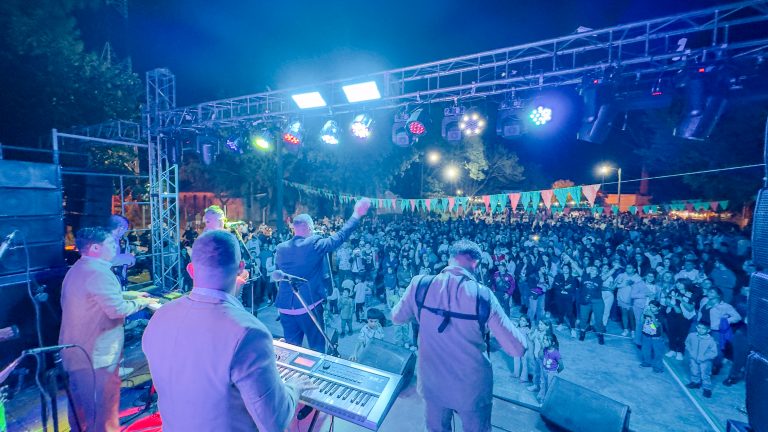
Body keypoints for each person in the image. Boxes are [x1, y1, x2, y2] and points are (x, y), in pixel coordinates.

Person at [142, 230, 315, 430]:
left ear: (191, 270)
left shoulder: (161, 316)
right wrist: (293, 387)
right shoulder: (249, 333)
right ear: (241, 269)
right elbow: (275, 420)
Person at [392, 240, 525, 432]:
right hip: (471, 389)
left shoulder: (419, 284)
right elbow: (517, 348)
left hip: (432, 383)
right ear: (476, 264)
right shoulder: (483, 295)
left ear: (449, 258)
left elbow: (396, 317)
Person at [58, 227, 157, 431]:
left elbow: (96, 299)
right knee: (103, 411)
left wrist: (132, 295)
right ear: (95, 247)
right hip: (96, 357)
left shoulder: (78, 269)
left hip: (76, 353)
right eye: (111, 243)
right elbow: (116, 309)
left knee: (81, 412)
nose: (116, 247)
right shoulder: (98, 273)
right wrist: (142, 304)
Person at [274, 198, 370, 352]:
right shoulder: (314, 243)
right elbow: (339, 237)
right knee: (317, 348)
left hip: (285, 306)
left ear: (294, 228)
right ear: (310, 227)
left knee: (291, 349)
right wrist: (356, 215)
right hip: (307, 306)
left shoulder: (281, 248)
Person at [685, 322, 719, 398]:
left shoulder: (711, 340)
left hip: (705, 361)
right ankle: (695, 382)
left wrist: (704, 357)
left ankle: (707, 389)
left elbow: (714, 353)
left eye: (703, 328)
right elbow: (687, 343)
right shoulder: (692, 336)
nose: (700, 330)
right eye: (699, 327)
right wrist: (691, 352)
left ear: (708, 330)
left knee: (705, 374)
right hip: (693, 358)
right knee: (694, 370)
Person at [639, 300, 665, 373]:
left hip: (656, 337)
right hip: (646, 335)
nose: (651, 309)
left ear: (658, 308)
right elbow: (642, 321)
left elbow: (657, 325)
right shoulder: (647, 313)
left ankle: (658, 367)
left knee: (658, 353)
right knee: (645, 350)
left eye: (653, 307)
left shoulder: (660, 315)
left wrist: (652, 316)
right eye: (650, 307)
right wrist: (643, 314)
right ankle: (647, 362)